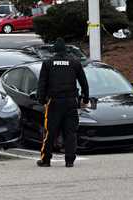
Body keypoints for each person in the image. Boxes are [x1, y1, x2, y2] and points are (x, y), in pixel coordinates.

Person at [36, 38, 89, 168]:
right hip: (71, 102)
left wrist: (41, 99)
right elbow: (84, 82)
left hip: (54, 102)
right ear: (65, 50)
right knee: (70, 132)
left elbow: (42, 83)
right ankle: (70, 160)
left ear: (54, 51)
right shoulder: (74, 63)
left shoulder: (48, 63)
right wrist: (85, 98)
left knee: (50, 132)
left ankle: (46, 159)